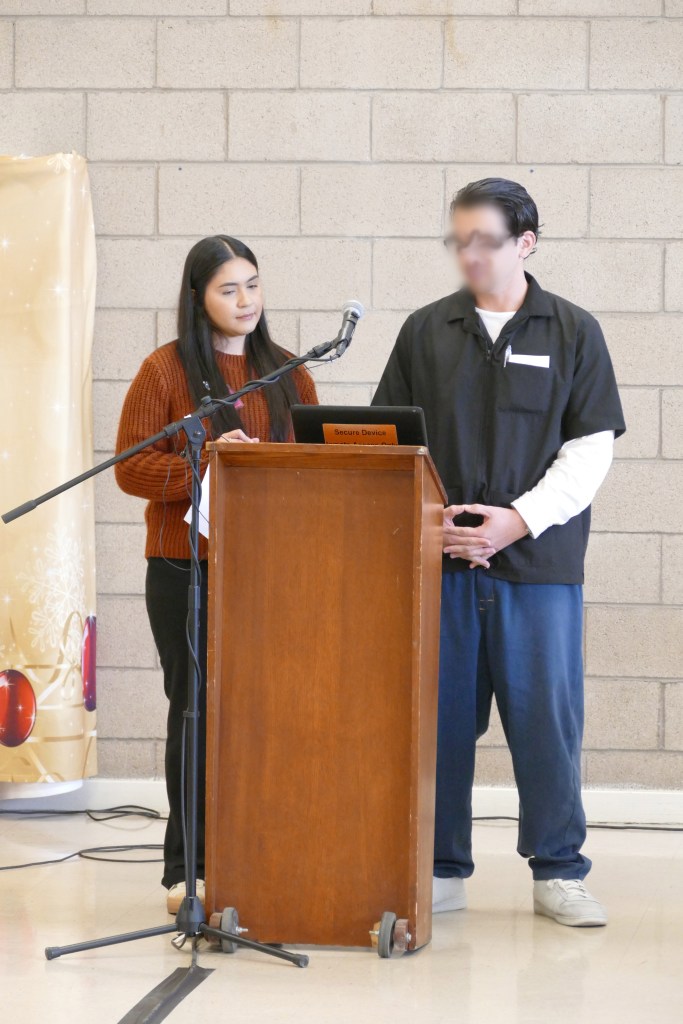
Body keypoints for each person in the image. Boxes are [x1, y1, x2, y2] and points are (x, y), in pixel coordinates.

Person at [373, 179, 625, 927]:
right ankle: (440, 865)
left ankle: (557, 871)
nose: (469, 255)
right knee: (440, 719)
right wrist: (431, 524)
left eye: (483, 240)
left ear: (526, 242)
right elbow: (388, 444)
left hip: (537, 570)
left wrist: (513, 522)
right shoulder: (425, 332)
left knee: (545, 719)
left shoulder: (572, 332)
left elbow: (587, 455)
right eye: (459, 241)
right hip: (440, 565)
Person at [115, 235, 318, 915]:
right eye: (229, 289)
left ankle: (262, 852)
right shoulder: (165, 371)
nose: (246, 301)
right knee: (196, 713)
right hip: (184, 567)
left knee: (268, 713)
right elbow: (130, 470)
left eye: (253, 285)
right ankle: (187, 871)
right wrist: (205, 463)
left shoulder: (291, 373)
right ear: (198, 298)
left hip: (272, 570)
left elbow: (314, 470)